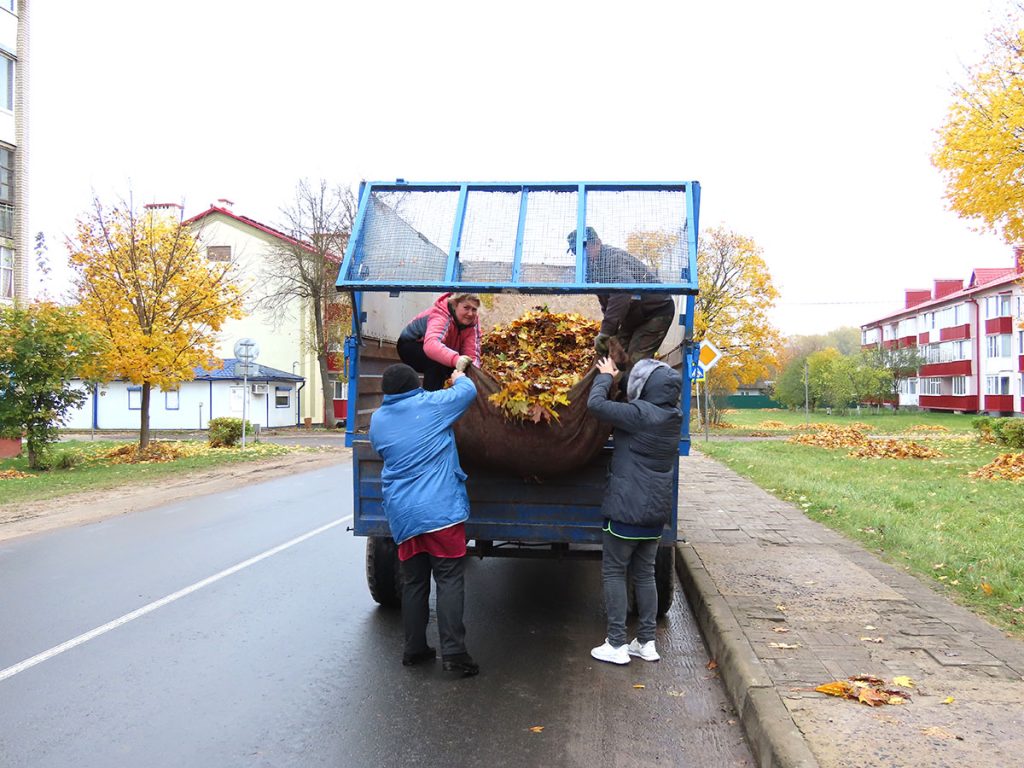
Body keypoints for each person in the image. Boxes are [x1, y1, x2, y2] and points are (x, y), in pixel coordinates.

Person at [368, 362, 480, 677]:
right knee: (448, 580)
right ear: (414, 386)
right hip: (440, 511)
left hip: (403, 515)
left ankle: (414, 649)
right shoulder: (430, 406)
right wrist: (458, 376)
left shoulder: (378, 420)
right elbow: (468, 392)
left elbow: (381, 451)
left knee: (415, 581)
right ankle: (455, 654)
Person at [586, 355, 682, 665]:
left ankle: (615, 644)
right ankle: (646, 642)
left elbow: (596, 406)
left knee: (614, 572)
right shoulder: (673, 416)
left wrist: (606, 377)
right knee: (644, 576)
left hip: (626, 511)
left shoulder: (640, 413)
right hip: (654, 514)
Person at [567, 227, 675, 367]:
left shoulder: (613, 259)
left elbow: (623, 293)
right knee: (613, 357)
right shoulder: (591, 269)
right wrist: (611, 335)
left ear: (598, 243)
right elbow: (605, 301)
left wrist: (606, 331)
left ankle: (633, 384)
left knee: (635, 365)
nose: (582, 255)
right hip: (632, 316)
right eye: (576, 252)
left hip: (655, 312)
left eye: (584, 248)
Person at [397, 293, 481, 391]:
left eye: (474, 309)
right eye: (466, 307)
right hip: (411, 345)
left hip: (443, 349)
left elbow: (472, 354)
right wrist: (456, 359)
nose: (470, 313)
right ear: (455, 305)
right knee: (437, 364)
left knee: (459, 368)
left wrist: (474, 372)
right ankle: (431, 401)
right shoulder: (441, 314)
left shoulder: (473, 323)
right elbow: (431, 345)